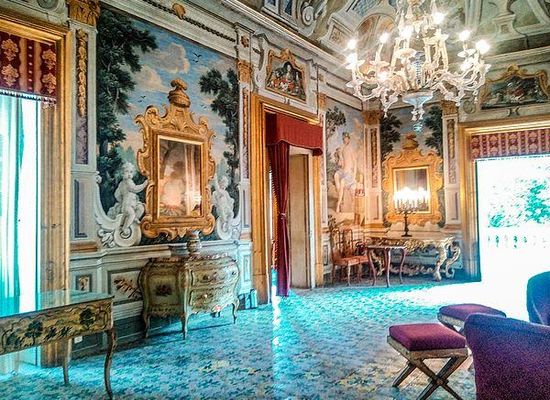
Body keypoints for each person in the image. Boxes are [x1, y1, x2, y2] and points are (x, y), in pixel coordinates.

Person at [112, 162, 148, 235]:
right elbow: (134, 189)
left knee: (141, 208)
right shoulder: (127, 182)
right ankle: (125, 228)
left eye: (131, 172)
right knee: (131, 214)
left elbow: (117, 195)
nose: (129, 174)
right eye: (127, 171)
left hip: (133, 203)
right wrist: (144, 184)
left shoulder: (124, 182)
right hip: (127, 204)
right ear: (122, 173)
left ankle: (134, 220)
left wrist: (121, 200)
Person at [334, 132, 357, 213]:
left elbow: (355, 163)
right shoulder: (342, 148)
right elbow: (341, 164)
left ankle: (338, 204)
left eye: (346, 138)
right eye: (344, 138)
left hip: (349, 173)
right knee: (336, 175)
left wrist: (354, 175)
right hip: (343, 171)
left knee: (342, 181)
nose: (345, 140)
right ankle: (341, 197)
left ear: (349, 139)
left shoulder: (351, 149)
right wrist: (340, 156)